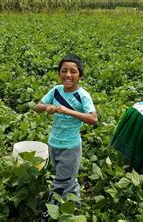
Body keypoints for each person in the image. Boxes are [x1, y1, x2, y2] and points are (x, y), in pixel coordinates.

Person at [34, 54, 98, 218]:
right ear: (59, 73)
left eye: (73, 71)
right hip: (53, 143)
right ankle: (74, 202)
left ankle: (52, 212)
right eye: (64, 71)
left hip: (70, 146)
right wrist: (47, 106)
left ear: (80, 76)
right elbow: (37, 106)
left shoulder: (82, 95)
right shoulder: (56, 91)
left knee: (61, 182)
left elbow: (93, 119)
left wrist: (68, 110)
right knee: (68, 177)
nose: (68, 75)